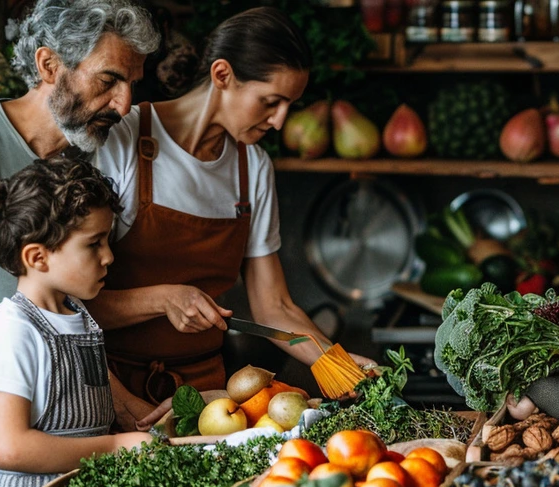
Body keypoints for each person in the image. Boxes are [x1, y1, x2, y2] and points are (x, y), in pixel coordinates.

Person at [0, 0, 158, 487]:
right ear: (48, 66)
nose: (125, 102)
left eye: (132, 83)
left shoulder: (79, 169)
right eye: (109, 79)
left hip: (65, 479)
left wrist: (122, 403)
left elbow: (61, 321)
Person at [91, 7, 370, 410]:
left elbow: (273, 306)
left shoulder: (252, 167)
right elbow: (70, 302)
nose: (279, 121)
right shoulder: (122, 140)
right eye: (270, 102)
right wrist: (161, 300)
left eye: (289, 105)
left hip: (212, 396)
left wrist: (341, 368)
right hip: (117, 390)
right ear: (223, 75)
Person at [0, 158, 152, 487]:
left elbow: (103, 409)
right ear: (37, 257)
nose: (109, 256)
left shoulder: (78, 316)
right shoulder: (12, 331)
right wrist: (116, 446)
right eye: (93, 244)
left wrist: (148, 424)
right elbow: (10, 447)